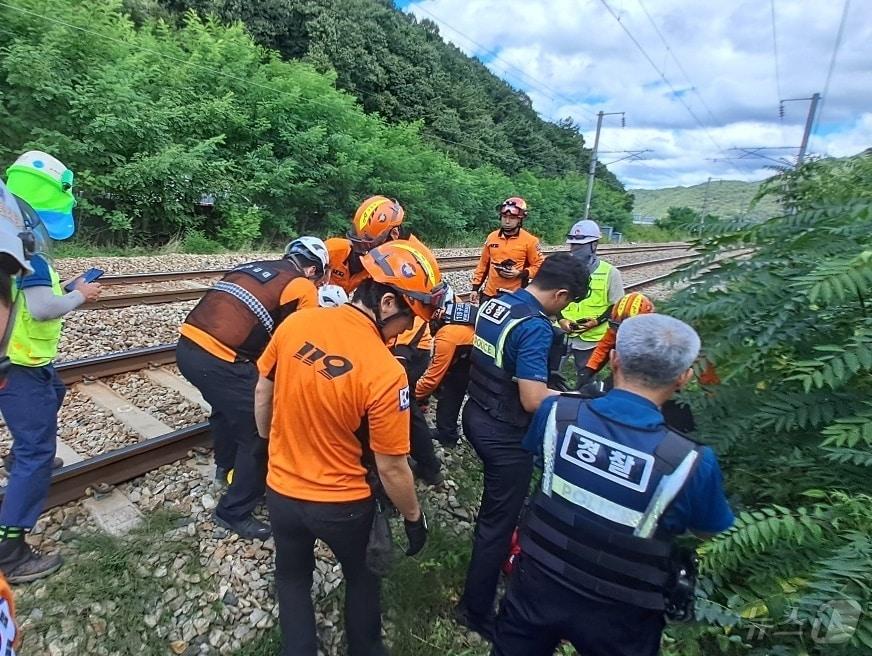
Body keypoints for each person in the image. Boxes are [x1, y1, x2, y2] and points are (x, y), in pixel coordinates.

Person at [491, 313, 734, 655]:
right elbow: (710, 530)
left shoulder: (557, 414)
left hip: (538, 584)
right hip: (623, 611)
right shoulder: (690, 462)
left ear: (614, 358)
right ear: (684, 377)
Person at [255, 240, 444, 656]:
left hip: (282, 492)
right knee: (362, 578)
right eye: (409, 318)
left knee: (291, 577)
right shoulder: (386, 372)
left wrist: (272, 445)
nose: (406, 331)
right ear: (389, 302)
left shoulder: (297, 325)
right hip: (343, 505)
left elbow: (264, 391)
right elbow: (393, 467)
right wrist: (414, 518)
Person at [456, 252, 591, 638]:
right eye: (569, 301)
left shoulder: (499, 303)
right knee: (496, 525)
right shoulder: (535, 327)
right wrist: (577, 399)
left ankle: (499, 562)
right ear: (561, 294)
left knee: (498, 513)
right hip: (504, 434)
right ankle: (475, 610)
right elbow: (532, 399)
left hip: (477, 413)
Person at [176, 237, 329, 540]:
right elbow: (300, 340)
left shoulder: (251, 266)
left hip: (186, 348)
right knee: (259, 431)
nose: (322, 283)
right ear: (312, 269)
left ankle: (225, 468)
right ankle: (233, 512)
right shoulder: (302, 286)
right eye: (323, 276)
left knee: (225, 408)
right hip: (221, 360)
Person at [0, 175, 102, 582]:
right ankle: (10, 550)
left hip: (27, 361)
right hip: (21, 363)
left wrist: (72, 286)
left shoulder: (16, 249)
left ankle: (19, 458)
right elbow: (42, 309)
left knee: (55, 392)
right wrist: (82, 296)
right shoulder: (32, 256)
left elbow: (31, 299)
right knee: (37, 452)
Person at [327, 196, 442, 482]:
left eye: (367, 244)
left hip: (408, 341)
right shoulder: (373, 251)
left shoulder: (415, 258)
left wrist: (397, 356)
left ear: (392, 233)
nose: (361, 250)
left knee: (399, 403)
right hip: (378, 333)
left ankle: (427, 467)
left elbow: (418, 312)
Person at [558, 219, 624, 381]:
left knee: (585, 379)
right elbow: (553, 298)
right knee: (550, 374)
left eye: (579, 246)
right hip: (562, 333)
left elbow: (617, 306)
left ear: (594, 246)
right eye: (572, 245)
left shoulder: (610, 273)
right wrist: (561, 319)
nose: (574, 249)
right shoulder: (563, 269)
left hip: (591, 340)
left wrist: (597, 321)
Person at [415, 296, 477, 448]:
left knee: (452, 387)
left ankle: (447, 434)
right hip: (473, 346)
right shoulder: (454, 305)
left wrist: (412, 396)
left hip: (473, 357)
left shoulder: (445, 338)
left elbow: (432, 378)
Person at [470, 197, 545, 305]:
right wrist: (475, 288)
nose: (507, 221)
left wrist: (520, 273)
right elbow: (483, 264)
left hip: (514, 296)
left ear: (520, 219)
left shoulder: (530, 241)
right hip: (489, 294)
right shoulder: (492, 237)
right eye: (504, 217)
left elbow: (539, 266)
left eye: (512, 218)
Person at [575, 291, 655, 388]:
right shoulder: (615, 329)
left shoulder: (657, 342)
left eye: (627, 328)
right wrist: (588, 370)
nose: (621, 332)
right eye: (617, 326)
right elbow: (604, 348)